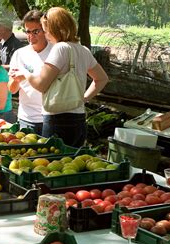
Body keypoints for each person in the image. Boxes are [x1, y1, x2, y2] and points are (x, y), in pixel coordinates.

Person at [13, 7, 108, 147]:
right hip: (79, 118)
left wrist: (25, 73)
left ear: (54, 29)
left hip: (58, 119)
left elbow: (41, 85)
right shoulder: (83, 50)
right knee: (73, 164)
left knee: (51, 164)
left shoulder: (60, 48)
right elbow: (102, 78)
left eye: (45, 30)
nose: (45, 34)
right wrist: (84, 98)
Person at [8, 10, 53, 135]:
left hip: (50, 118)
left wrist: (27, 76)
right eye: (28, 31)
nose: (31, 36)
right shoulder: (19, 54)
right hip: (26, 118)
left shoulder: (56, 51)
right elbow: (12, 90)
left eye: (35, 31)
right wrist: (16, 80)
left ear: (45, 30)